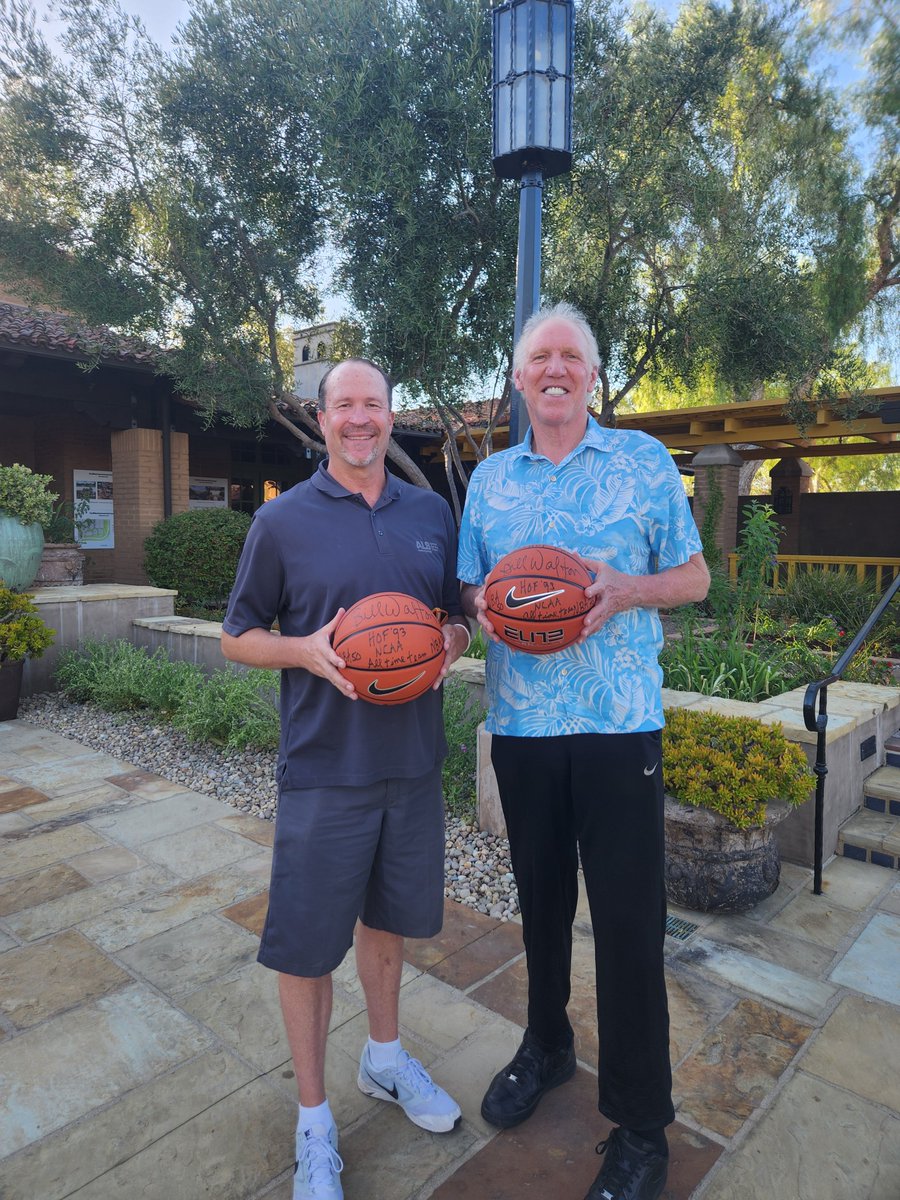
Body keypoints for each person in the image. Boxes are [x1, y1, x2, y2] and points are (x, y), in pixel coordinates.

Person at [457, 303, 710, 1200]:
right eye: (539, 357)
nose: (555, 368)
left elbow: (695, 575)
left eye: (571, 356)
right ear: (520, 379)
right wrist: (479, 608)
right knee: (541, 909)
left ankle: (642, 1125)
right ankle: (548, 1045)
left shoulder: (641, 463)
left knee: (631, 925)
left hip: (618, 730)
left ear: (591, 376)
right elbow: (469, 585)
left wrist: (628, 588)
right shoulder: (489, 481)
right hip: (523, 731)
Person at [222, 358, 470, 1200]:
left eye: (373, 405)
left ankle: (387, 1061)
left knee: (390, 925)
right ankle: (315, 1120)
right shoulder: (283, 522)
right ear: (321, 419)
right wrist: (305, 652)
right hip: (325, 771)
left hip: (411, 764)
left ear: (390, 415)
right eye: (344, 406)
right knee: (306, 949)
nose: (360, 419)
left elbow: (460, 617)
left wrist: (449, 649)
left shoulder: (431, 511)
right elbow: (238, 634)